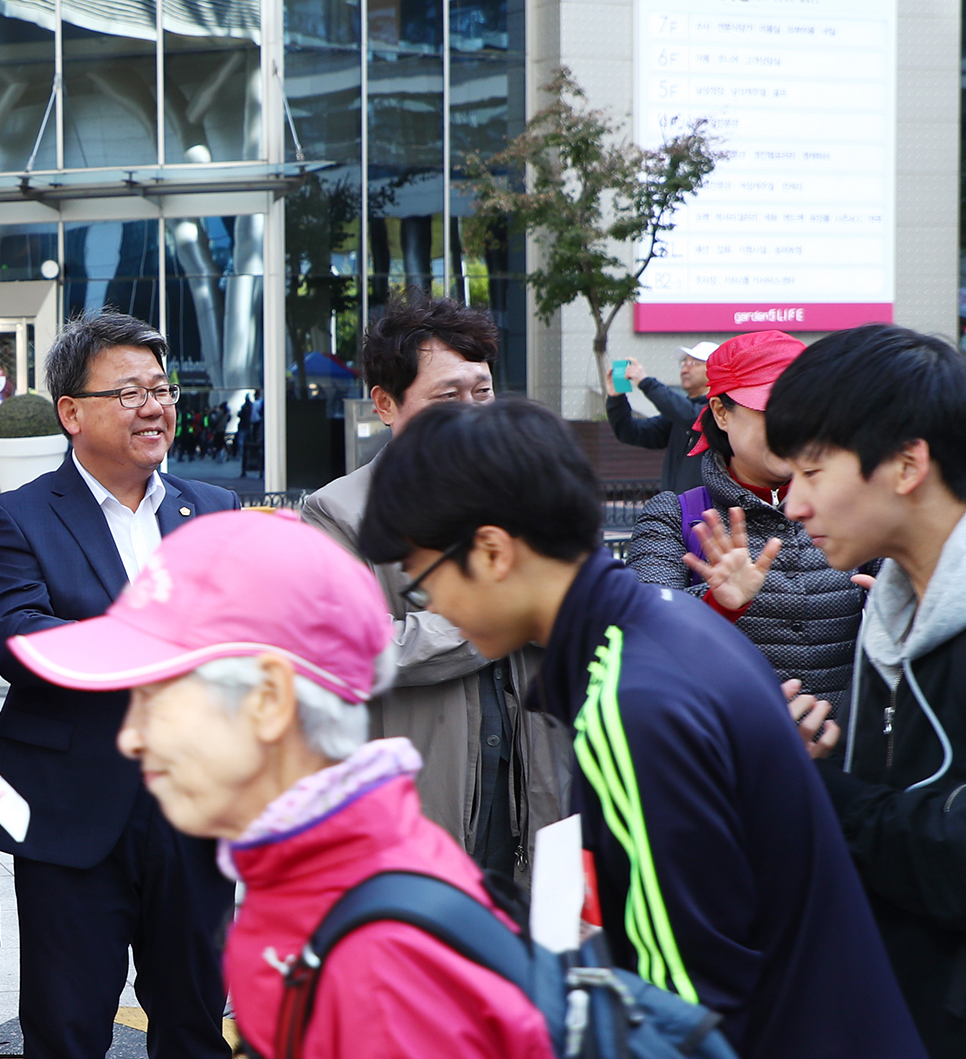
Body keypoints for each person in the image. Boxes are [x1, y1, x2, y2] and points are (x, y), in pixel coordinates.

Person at [356, 395, 954, 1059]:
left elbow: (680, 1025)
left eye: (425, 582)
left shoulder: (629, 702)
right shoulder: (669, 626)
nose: (436, 610)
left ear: (496, 550)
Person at [9, 510, 579, 1059]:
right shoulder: (297, 899)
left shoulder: (379, 957)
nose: (129, 736)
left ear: (272, 699)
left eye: (157, 696)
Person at [0, 310, 238, 1059]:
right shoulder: (19, 517)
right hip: (73, 811)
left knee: (191, 1024)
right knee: (66, 1034)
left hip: (188, 806)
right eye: (129, 390)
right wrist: (160, 638)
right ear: (73, 409)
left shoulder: (210, 511)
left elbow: (238, 635)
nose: (154, 406)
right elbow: (22, 639)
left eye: (163, 387)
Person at [767, 324, 966, 1059]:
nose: (792, 505)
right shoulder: (892, 611)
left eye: (809, 471)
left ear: (906, 463)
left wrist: (831, 795)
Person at [304, 294, 569, 875]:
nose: (473, 413)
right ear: (385, 404)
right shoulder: (336, 513)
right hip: (420, 811)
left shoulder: (534, 492)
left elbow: (583, 619)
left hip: (538, 803)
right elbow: (361, 648)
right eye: (447, 398)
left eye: (482, 392)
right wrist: (505, 613)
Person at [627, 331, 869, 715]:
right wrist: (714, 604)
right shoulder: (673, 517)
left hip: (852, 762)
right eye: (772, 412)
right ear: (721, 413)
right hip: (729, 764)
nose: (791, 429)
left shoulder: (858, 511)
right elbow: (639, 633)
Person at [605, 339, 715, 493]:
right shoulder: (680, 415)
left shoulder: (722, 411)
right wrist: (617, 399)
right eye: (683, 363)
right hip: (676, 511)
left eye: (694, 363)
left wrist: (646, 382)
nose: (684, 370)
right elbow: (630, 432)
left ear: (716, 371)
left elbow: (691, 416)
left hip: (709, 512)